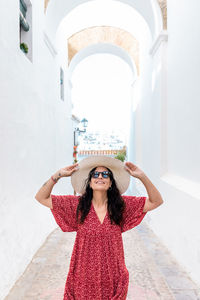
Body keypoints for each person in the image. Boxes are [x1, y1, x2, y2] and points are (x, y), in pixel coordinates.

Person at [35, 155, 163, 300]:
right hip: (83, 279)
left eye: (105, 174)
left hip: (112, 278)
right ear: (89, 182)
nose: (100, 176)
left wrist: (142, 177)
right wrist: (58, 175)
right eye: (95, 174)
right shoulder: (77, 205)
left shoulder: (121, 206)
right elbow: (41, 198)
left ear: (110, 183)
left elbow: (156, 201)